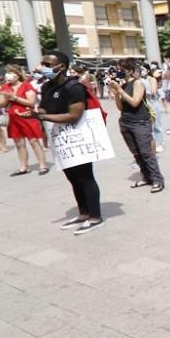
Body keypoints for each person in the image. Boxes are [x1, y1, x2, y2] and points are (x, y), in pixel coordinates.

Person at [26, 50, 106, 235]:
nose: (42, 67)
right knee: (72, 177)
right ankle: (83, 213)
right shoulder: (47, 87)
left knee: (85, 177)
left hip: (78, 138)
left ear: (61, 66)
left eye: (47, 64)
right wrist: (37, 113)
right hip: (61, 139)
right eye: (42, 63)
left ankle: (95, 216)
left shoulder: (74, 87)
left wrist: (44, 116)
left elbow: (74, 115)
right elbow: (46, 108)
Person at [107, 58, 164, 193]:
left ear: (130, 71)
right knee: (136, 153)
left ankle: (157, 180)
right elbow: (121, 107)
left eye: (121, 70)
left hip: (139, 122)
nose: (118, 72)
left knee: (146, 153)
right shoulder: (124, 84)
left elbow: (135, 102)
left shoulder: (138, 83)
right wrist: (116, 93)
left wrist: (120, 90)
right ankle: (146, 177)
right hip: (125, 122)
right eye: (117, 69)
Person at [0, 64, 48, 176]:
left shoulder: (26, 86)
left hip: (27, 116)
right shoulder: (5, 87)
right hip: (13, 118)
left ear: (17, 75)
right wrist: (5, 98)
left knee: (34, 141)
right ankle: (23, 166)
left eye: (11, 73)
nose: (8, 76)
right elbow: (1, 104)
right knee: (19, 143)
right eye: (7, 74)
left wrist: (15, 98)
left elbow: (31, 103)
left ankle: (42, 165)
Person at [145, 66, 166, 152]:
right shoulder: (140, 80)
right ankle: (150, 144)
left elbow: (153, 92)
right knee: (149, 126)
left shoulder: (152, 79)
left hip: (153, 103)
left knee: (157, 124)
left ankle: (159, 144)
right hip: (145, 103)